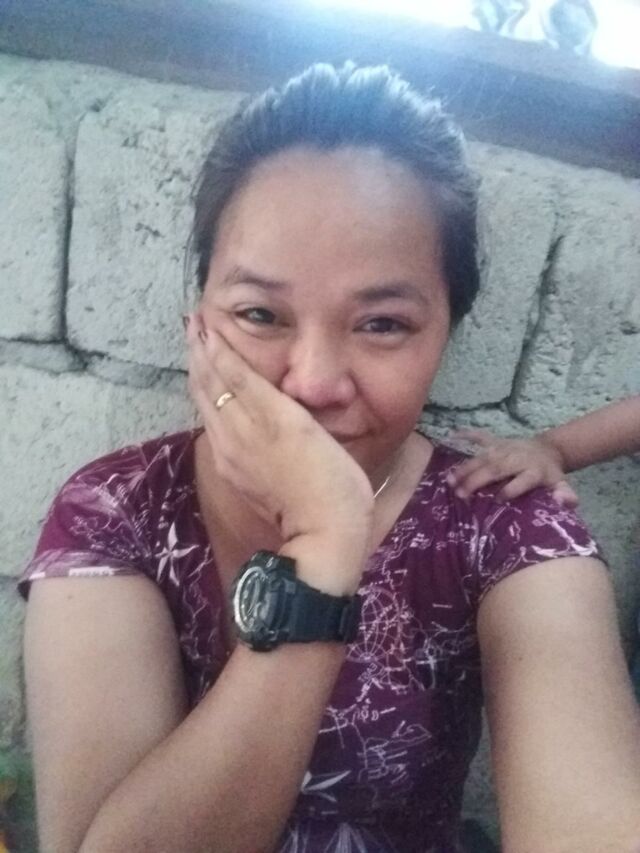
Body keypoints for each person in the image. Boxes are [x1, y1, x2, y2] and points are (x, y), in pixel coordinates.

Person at [17, 63, 640, 853]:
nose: (312, 384)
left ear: (446, 334)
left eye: (382, 324)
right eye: (259, 313)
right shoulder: (116, 511)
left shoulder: (504, 524)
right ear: (197, 321)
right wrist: (321, 547)